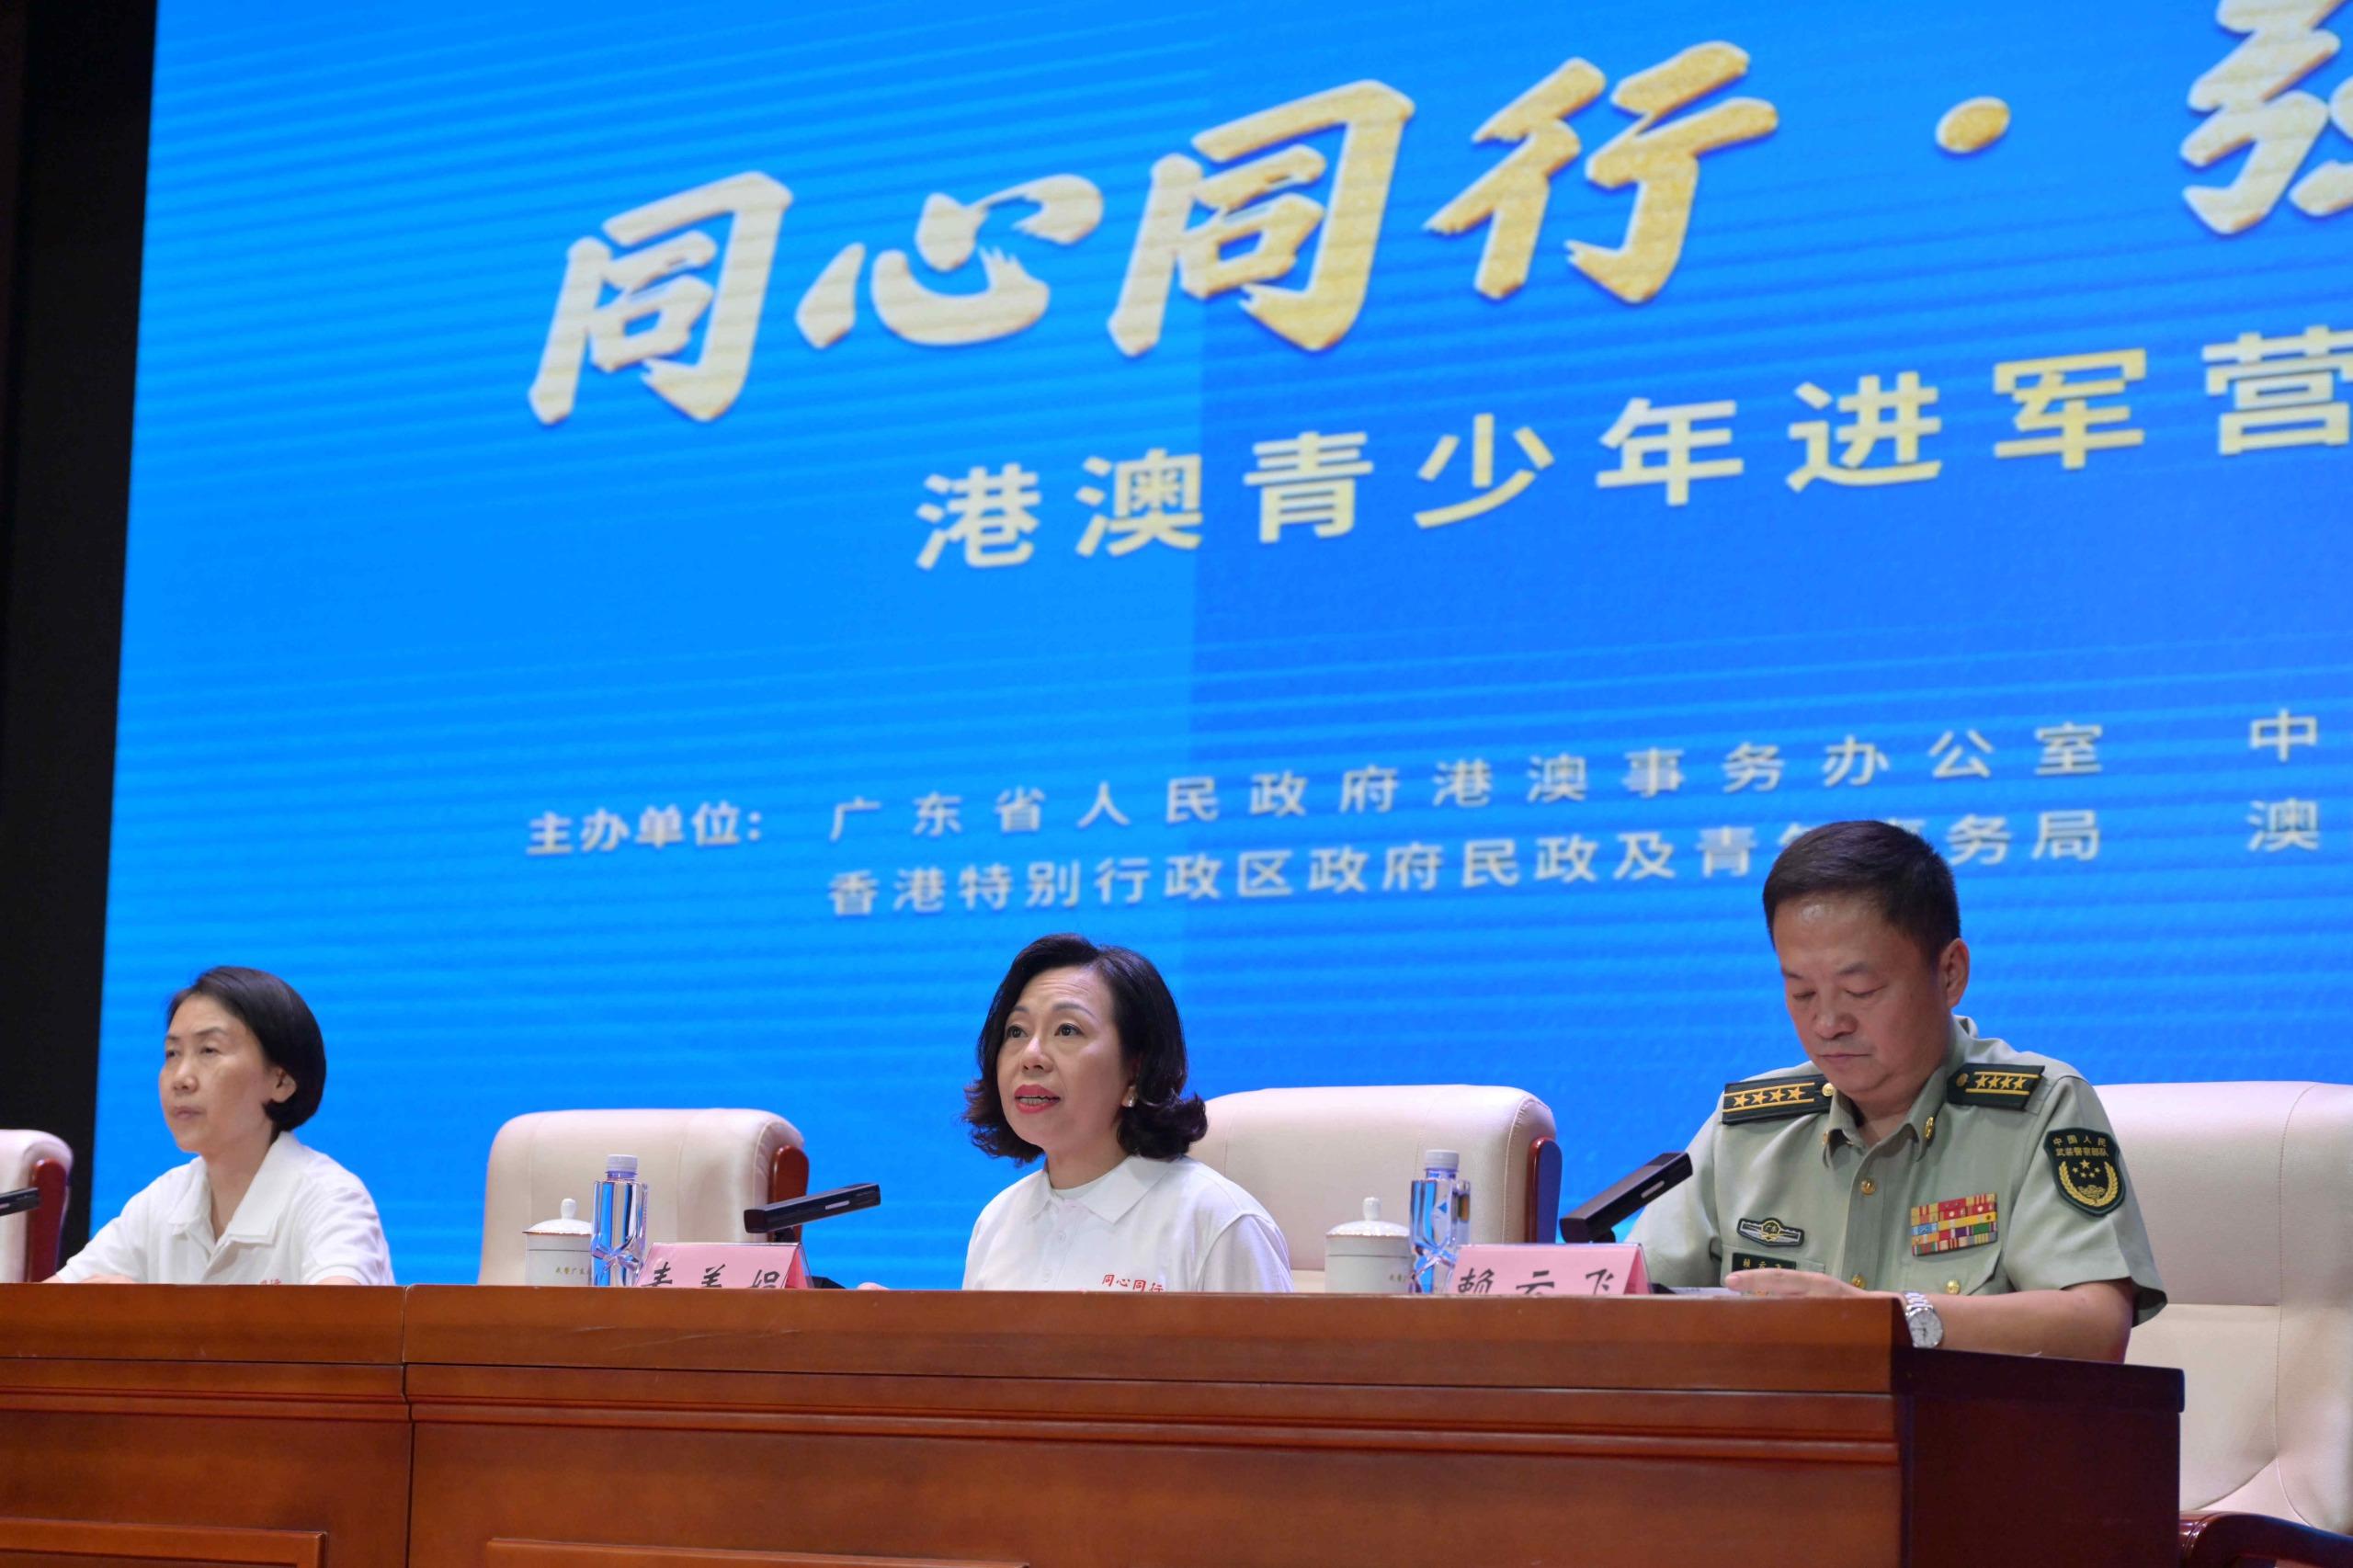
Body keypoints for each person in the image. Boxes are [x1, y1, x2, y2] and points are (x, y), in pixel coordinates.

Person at [1627, 822, 2163, 1359]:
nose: (1828, 1022)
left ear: (1950, 973)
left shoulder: (2040, 1109)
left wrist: (1887, 1320)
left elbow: (2094, 1326)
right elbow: (1623, 1308)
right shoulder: (1748, 1127)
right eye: (1802, 992)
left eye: (1860, 990)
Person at [961, 934, 1292, 1292]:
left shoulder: (1216, 1222)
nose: (1031, 1055)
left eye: (1067, 1030)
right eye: (1016, 1032)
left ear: (1136, 1070)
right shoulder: (998, 1220)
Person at [51, 966, 393, 1285]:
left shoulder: (331, 1198)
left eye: (209, 1050)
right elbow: (38, 1314)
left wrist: (153, 1318)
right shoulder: (160, 1202)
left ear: (281, 1081)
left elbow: (337, 1332)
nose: (181, 1078)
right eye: (172, 1054)